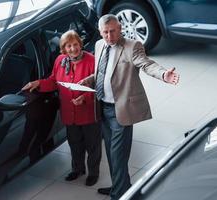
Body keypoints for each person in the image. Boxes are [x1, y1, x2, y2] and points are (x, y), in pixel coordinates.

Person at [80, 14, 180, 199]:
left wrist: (164, 74)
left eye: (112, 31)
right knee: (111, 153)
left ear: (120, 28)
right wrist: (88, 80)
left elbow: (147, 64)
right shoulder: (99, 45)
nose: (109, 36)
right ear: (100, 32)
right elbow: (101, 73)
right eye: (105, 32)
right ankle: (121, 186)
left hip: (121, 110)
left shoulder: (132, 47)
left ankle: (119, 195)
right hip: (102, 107)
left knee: (118, 155)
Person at [22, 30, 101, 186]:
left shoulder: (92, 61)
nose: (73, 49)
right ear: (64, 48)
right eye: (69, 46)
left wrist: (84, 98)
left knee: (92, 146)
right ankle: (77, 169)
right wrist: (38, 83)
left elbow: (100, 87)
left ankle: (93, 173)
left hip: (88, 113)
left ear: (81, 44)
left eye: (76, 44)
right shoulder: (60, 60)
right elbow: (53, 81)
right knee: (74, 143)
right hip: (69, 114)